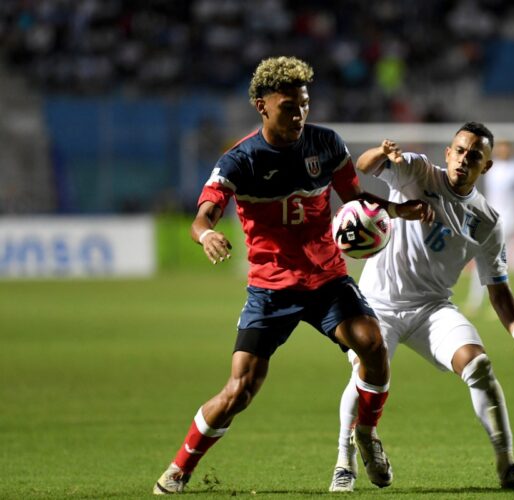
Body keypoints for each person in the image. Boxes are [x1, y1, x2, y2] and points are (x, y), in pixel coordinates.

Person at [153, 56, 433, 494]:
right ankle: (180, 467)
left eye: (304, 103)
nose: (300, 113)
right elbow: (202, 216)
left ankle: (366, 433)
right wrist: (206, 234)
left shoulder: (326, 144)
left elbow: (354, 196)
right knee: (240, 390)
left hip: (327, 280)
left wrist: (396, 210)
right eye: (289, 106)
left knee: (373, 344)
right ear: (262, 106)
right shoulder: (240, 160)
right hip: (270, 289)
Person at [328, 123, 514, 493]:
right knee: (364, 374)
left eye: (475, 155)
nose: (464, 159)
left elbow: (498, 287)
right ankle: (343, 463)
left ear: (486, 167)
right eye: (459, 151)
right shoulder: (416, 170)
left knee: (479, 365)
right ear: (448, 153)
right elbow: (363, 166)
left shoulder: (487, 221)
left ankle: (507, 465)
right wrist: (382, 153)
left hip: (432, 308)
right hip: (378, 302)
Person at [464, 139, 514, 316]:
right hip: (490, 218)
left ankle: (495, 303)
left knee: (494, 259)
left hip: (511, 220)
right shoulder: (491, 167)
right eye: (500, 147)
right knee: (486, 258)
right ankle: (481, 302)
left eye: (506, 147)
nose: (503, 150)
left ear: (511, 149)